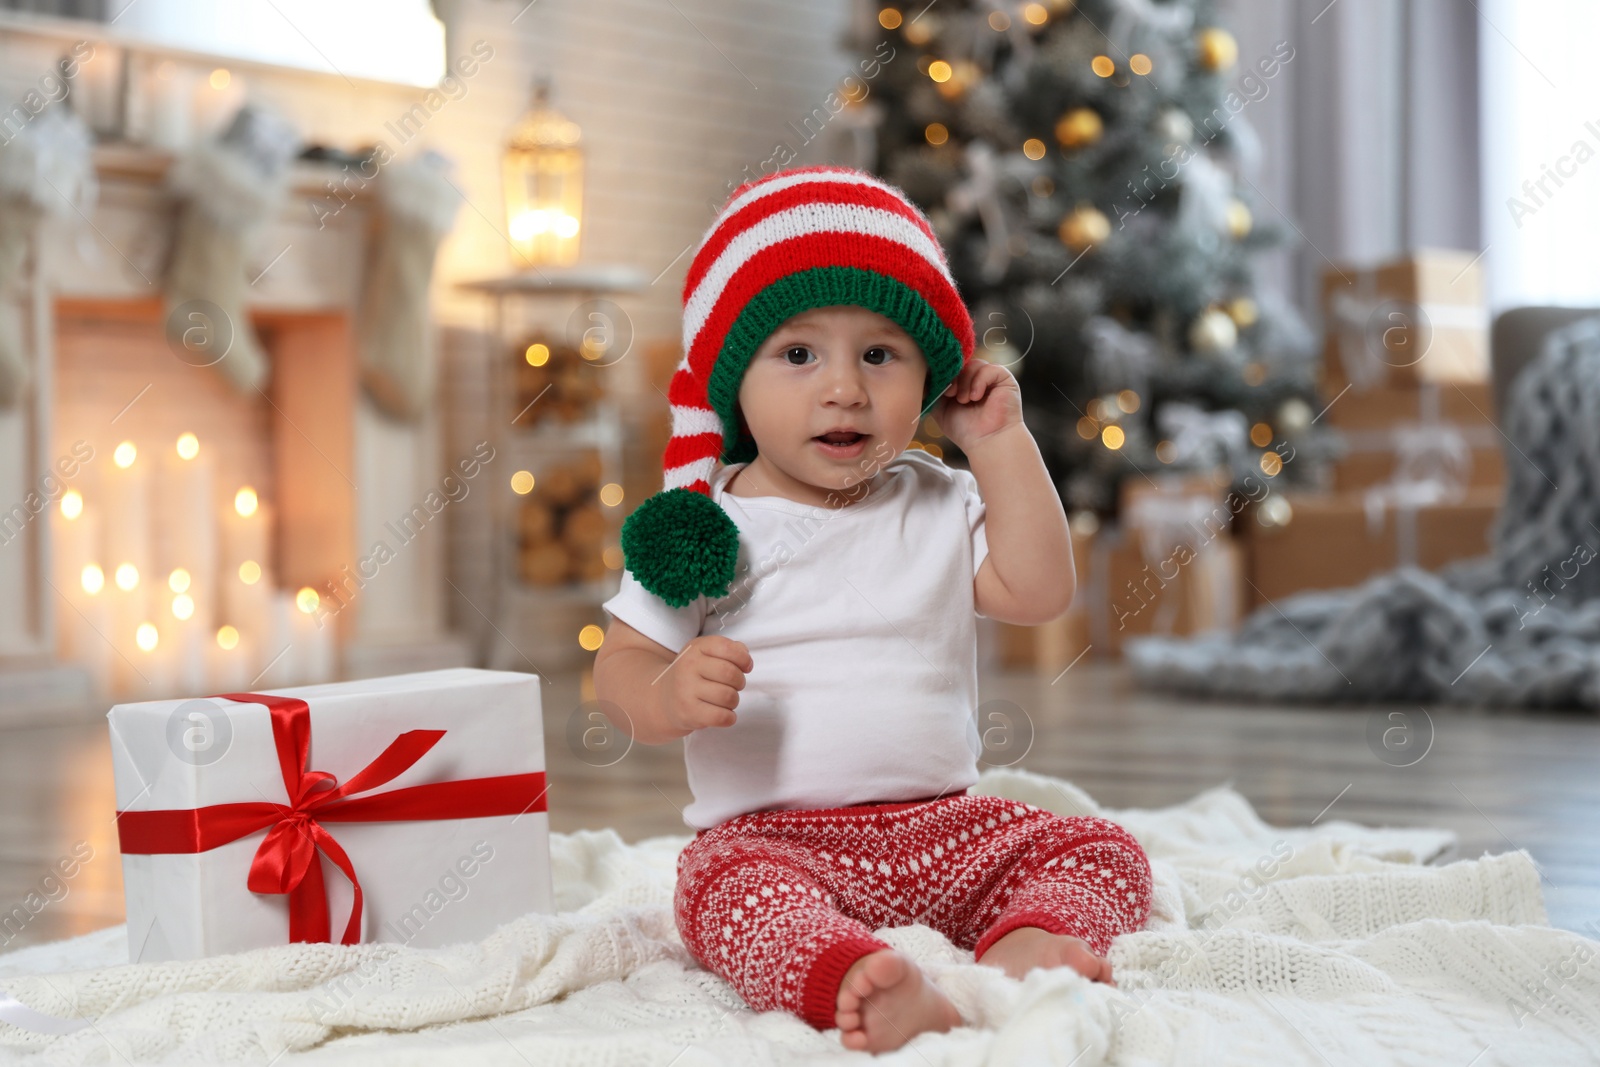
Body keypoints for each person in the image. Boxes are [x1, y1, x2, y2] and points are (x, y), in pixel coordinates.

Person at [594, 165, 1152, 1053]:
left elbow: (1041, 591)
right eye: (800, 353)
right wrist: (663, 695)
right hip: (774, 840)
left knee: (1101, 848)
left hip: (942, 826)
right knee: (721, 896)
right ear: (735, 379)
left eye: (880, 355)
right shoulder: (706, 527)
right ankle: (855, 977)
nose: (845, 388)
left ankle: (1022, 945)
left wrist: (1001, 448)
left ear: (930, 374)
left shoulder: (937, 499)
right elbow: (616, 670)